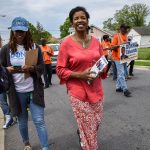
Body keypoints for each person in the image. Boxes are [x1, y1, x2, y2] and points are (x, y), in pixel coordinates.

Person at [56, 6, 107, 150]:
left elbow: (102, 61)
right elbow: (60, 70)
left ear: (87, 20)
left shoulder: (96, 42)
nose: (80, 20)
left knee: (95, 123)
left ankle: (82, 134)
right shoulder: (66, 44)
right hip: (77, 92)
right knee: (89, 126)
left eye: (83, 17)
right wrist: (80, 75)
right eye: (76, 18)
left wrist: (103, 67)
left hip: (96, 90)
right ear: (72, 23)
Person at [0, 17, 49, 150]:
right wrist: (7, 70)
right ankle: (26, 143)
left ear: (27, 32)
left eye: (22, 31)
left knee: (39, 120)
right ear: (12, 32)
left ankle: (45, 147)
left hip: (34, 90)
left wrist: (31, 68)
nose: (19, 34)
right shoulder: (6, 49)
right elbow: (1, 68)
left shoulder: (35, 47)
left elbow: (41, 68)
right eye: (17, 31)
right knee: (22, 121)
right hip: (16, 92)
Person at [111, 24, 132, 97]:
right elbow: (112, 47)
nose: (126, 30)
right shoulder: (116, 36)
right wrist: (120, 45)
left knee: (121, 73)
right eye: (124, 29)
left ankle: (118, 87)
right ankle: (125, 89)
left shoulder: (126, 36)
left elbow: (127, 46)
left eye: (126, 29)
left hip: (124, 57)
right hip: (117, 58)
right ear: (121, 29)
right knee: (121, 73)